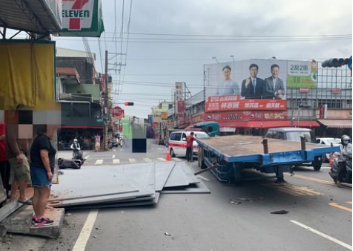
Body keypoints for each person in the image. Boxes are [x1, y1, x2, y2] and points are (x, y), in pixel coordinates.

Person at [30, 125, 57, 226]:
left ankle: (37, 217)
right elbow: (44, 155)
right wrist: (49, 171)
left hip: (36, 169)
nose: (54, 132)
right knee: (44, 194)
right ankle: (40, 218)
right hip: (41, 170)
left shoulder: (39, 139)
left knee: (37, 193)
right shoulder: (43, 139)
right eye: (53, 129)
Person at [6, 108, 31, 202]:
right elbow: (12, 139)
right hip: (16, 153)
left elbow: (27, 141)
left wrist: (28, 155)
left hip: (22, 153)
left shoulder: (24, 124)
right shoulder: (12, 123)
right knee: (24, 174)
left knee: (18, 176)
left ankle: (12, 197)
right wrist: (17, 153)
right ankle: (22, 197)